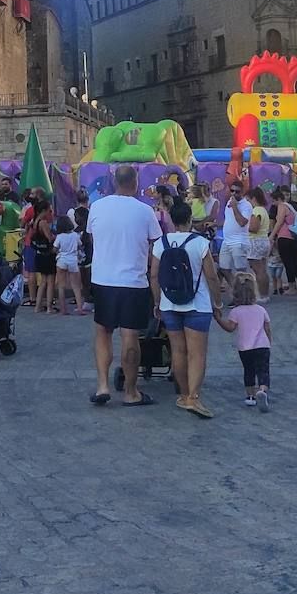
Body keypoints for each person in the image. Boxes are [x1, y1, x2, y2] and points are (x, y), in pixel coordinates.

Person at [86, 164, 162, 407]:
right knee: (130, 336)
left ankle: (102, 386)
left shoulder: (97, 206)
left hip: (103, 279)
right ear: (135, 182)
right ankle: (131, 392)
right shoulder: (145, 211)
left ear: (114, 182)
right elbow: (156, 243)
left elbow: (91, 236)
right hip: (133, 281)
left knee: (102, 332)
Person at [149, 200, 222, 417]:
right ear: (190, 219)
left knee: (178, 351)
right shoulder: (199, 243)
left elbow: (153, 275)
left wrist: (157, 301)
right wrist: (217, 303)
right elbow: (211, 276)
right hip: (197, 305)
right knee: (197, 354)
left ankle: (183, 395)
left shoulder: (161, 243)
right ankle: (194, 397)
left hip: (170, 304)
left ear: (171, 219)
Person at [216, 275, 272, 412]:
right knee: (263, 370)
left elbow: (230, 328)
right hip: (262, 346)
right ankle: (263, 390)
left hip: (245, 347)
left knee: (249, 371)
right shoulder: (261, 310)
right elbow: (267, 328)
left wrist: (218, 319)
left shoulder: (235, 312)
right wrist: (269, 342)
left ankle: (250, 396)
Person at [271, 188, 297, 294]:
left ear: (278, 199)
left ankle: (292, 286)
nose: (273, 204)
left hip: (284, 237)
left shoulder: (282, 207)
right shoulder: (291, 207)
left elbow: (280, 222)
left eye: (273, 201)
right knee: (295, 262)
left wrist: (272, 235)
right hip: (293, 237)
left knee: (288, 263)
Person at [219, 180, 253, 288]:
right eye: (232, 190)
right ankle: (236, 291)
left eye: (237, 192)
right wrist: (215, 224)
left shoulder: (246, 205)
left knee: (241, 271)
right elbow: (228, 220)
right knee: (223, 268)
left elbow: (242, 222)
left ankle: (245, 294)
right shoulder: (229, 201)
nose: (233, 193)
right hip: (227, 240)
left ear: (242, 192)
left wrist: (234, 207)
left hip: (239, 241)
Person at [28, 201, 58, 315]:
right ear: (44, 211)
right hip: (47, 255)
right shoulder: (43, 223)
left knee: (43, 282)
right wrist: (55, 236)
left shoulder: (34, 221)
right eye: (49, 210)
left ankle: (38, 306)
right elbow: (49, 238)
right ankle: (49, 307)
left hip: (39, 254)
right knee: (50, 282)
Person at [54, 216, 88, 316]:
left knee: (61, 286)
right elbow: (80, 245)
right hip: (73, 260)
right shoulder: (75, 235)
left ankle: (63, 309)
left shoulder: (59, 237)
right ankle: (80, 308)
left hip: (62, 261)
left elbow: (55, 248)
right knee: (76, 286)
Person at [246, 188, 271, 302]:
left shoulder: (256, 211)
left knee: (258, 270)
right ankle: (265, 294)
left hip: (255, 241)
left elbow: (254, 228)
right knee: (263, 270)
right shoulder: (264, 210)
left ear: (253, 199)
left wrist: (245, 227)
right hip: (264, 240)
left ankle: (262, 295)